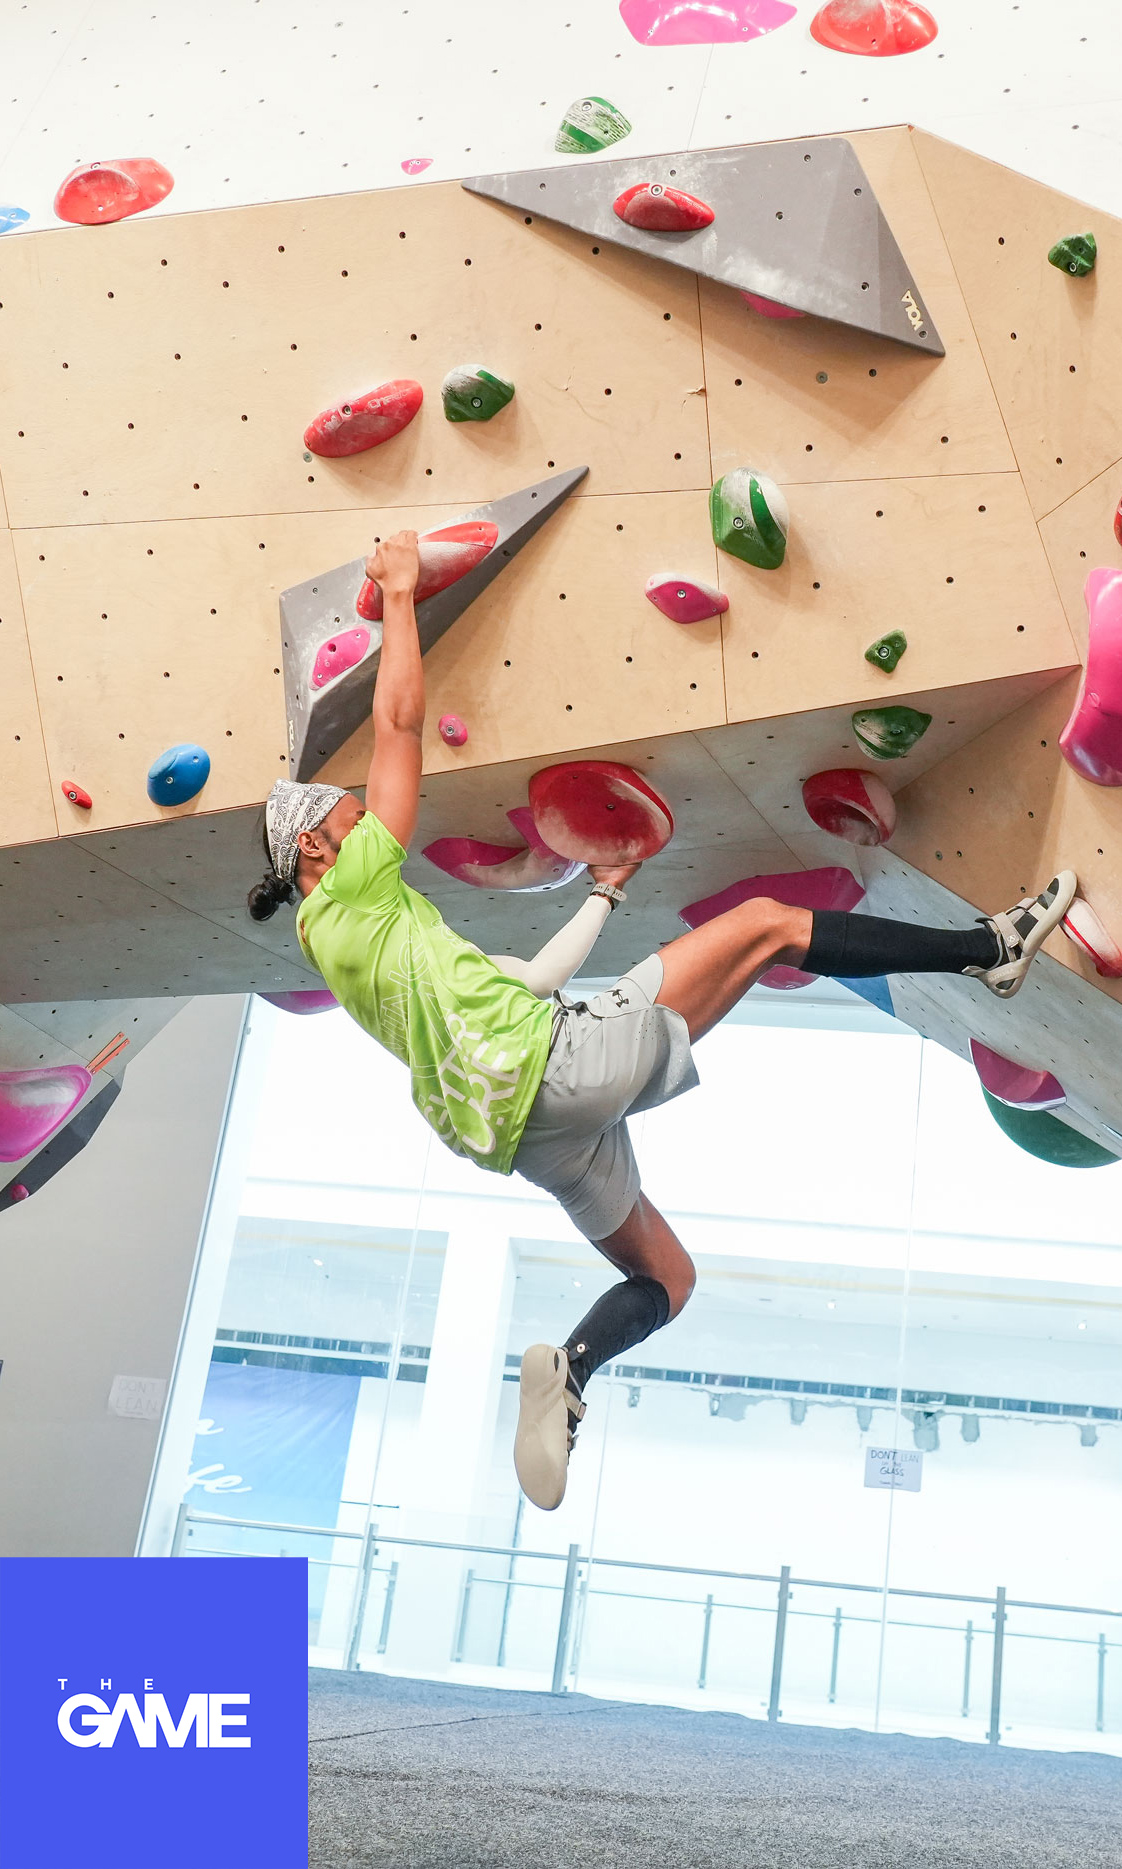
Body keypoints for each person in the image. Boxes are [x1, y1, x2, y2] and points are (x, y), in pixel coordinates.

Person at [249, 530, 1077, 1511]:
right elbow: (396, 728)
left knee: (669, 1279)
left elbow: (537, 973)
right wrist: (395, 595)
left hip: (527, 1124)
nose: (365, 815)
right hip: (546, 1068)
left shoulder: (370, 953)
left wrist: (602, 898)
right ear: (314, 845)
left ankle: (575, 1369)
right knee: (768, 926)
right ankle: (988, 951)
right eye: (345, 814)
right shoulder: (345, 886)